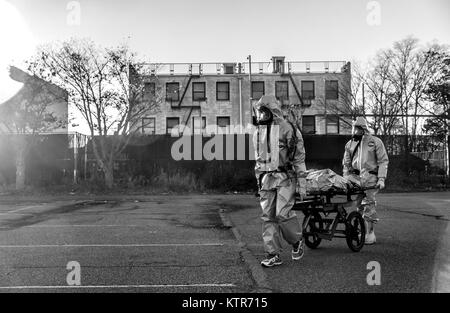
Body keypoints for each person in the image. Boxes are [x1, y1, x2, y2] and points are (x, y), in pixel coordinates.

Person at [252, 95, 307, 267]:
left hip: (285, 177)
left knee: (283, 214)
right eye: (259, 111)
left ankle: (297, 241)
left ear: (272, 111)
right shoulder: (258, 132)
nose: (261, 115)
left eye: (263, 111)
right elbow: (258, 160)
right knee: (268, 217)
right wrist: (258, 181)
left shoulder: (288, 129)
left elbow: (298, 158)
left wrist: (302, 184)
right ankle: (272, 254)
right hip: (267, 179)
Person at [342, 117, 389, 245]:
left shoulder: (375, 142)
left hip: (370, 178)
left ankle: (370, 233)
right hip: (356, 178)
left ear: (363, 128)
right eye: (354, 128)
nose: (355, 130)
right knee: (359, 205)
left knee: (369, 205)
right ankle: (362, 231)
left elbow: (383, 161)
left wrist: (381, 178)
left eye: (358, 128)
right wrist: (346, 179)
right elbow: (346, 165)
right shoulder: (350, 144)